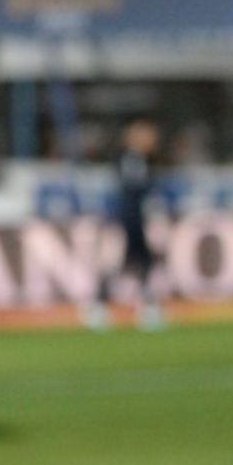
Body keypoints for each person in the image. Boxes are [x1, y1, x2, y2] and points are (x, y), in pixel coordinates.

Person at [83, 117, 164, 331]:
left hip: (135, 219)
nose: (151, 139)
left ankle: (146, 307)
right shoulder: (128, 159)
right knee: (120, 263)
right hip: (126, 220)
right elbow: (131, 190)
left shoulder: (145, 161)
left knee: (143, 263)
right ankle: (98, 305)